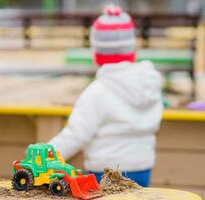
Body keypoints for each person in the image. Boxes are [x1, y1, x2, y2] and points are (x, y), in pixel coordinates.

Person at [49, 5, 163, 187]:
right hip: (142, 168)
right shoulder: (151, 85)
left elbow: (76, 134)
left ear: (96, 54)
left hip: (104, 172)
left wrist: (49, 152)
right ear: (132, 50)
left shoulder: (97, 91)